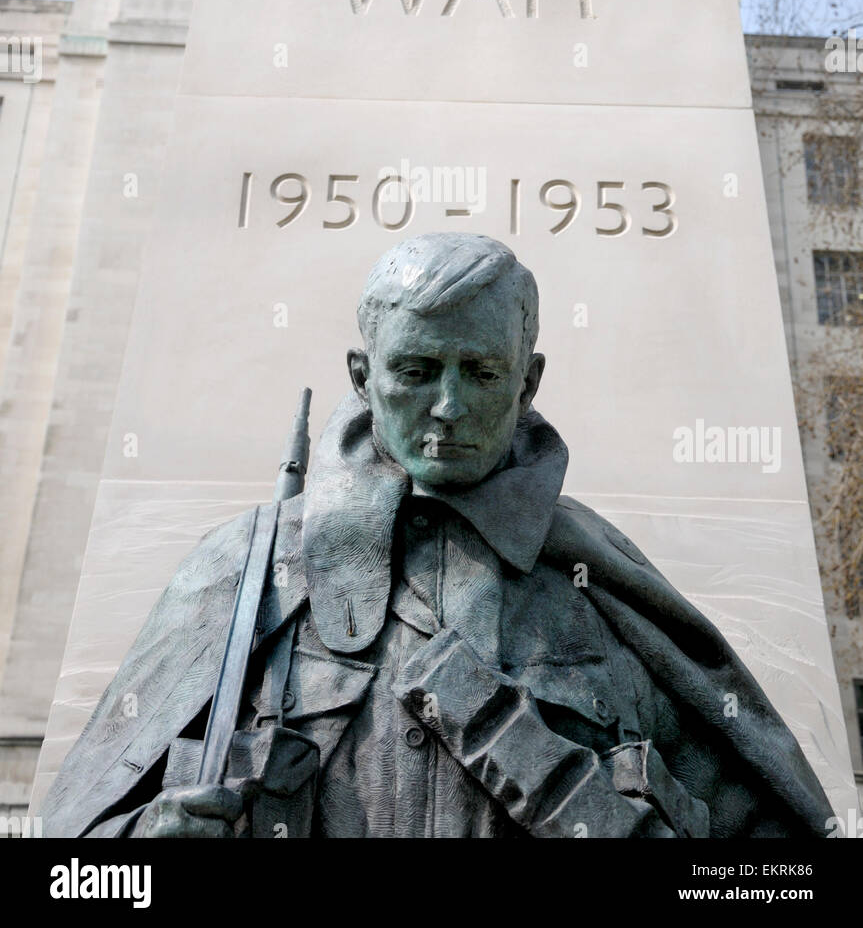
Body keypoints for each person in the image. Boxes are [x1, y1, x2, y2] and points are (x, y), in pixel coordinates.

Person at [42, 233, 833, 838]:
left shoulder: (602, 586)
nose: (448, 408)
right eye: (416, 371)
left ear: (526, 382)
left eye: (481, 374)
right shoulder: (247, 570)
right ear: (362, 375)